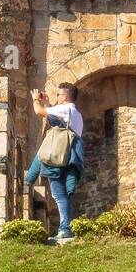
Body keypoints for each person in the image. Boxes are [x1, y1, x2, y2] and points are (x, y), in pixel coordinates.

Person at [30, 82, 85, 242]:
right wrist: (49, 103)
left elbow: (38, 111)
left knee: (58, 193)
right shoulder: (76, 113)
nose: (58, 97)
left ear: (66, 96)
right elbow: (57, 120)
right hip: (69, 155)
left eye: (59, 95)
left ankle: (65, 229)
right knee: (62, 193)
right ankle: (65, 228)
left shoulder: (65, 108)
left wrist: (36, 99)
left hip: (58, 154)